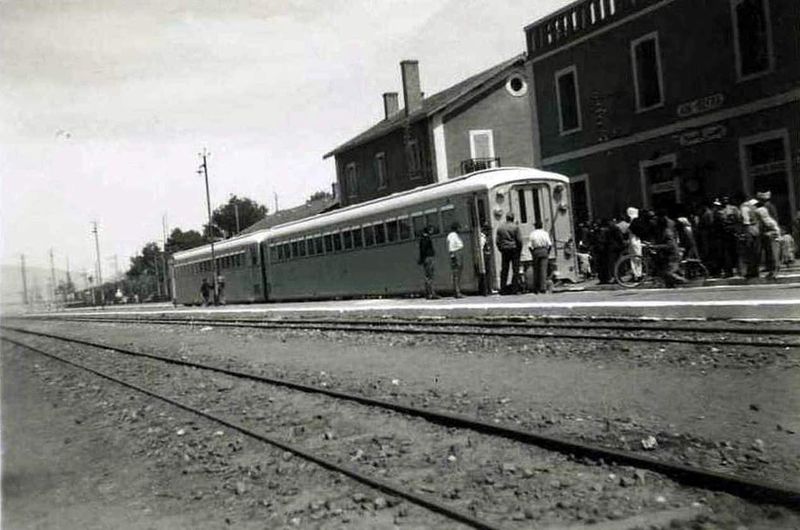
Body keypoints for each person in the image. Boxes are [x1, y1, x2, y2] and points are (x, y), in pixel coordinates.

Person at [651, 211, 686, 288]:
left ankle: (682, 280)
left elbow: (670, 245)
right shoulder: (661, 231)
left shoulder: (667, 232)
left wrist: (655, 247)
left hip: (672, 256)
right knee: (664, 275)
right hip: (666, 256)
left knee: (668, 273)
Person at [495, 213, 523, 294]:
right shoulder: (515, 227)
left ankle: (503, 288)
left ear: (506, 218)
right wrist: (519, 250)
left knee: (504, 269)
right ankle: (515, 288)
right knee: (515, 269)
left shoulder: (500, 228)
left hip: (504, 250)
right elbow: (519, 240)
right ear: (513, 218)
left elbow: (497, 241)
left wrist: (500, 249)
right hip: (514, 249)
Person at [754, 195, 781, 279]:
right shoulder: (764, 215)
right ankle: (772, 270)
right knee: (770, 253)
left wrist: (770, 232)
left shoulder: (766, 218)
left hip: (772, 235)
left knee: (774, 253)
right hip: (769, 235)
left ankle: (774, 271)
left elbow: (772, 226)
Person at [528, 221, 552, 294]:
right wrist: (547, 252)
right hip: (544, 250)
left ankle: (536, 288)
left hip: (536, 251)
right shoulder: (545, 233)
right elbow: (549, 244)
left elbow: (529, 246)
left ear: (535, 226)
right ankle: (543, 288)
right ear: (542, 226)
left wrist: (532, 253)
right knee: (543, 270)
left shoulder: (532, 234)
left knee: (536, 270)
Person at [740, 197, 761, 278]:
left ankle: (751, 271)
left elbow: (746, 222)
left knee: (749, 252)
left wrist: (745, 233)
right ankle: (755, 271)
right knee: (755, 252)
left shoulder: (744, 207)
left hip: (750, 231)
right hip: (757, 230)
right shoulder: (756, 207)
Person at [417, 225, 439, 299]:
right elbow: (424, 250)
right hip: (428, 258)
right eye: (431, 230)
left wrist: (421, 259)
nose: (432, 231)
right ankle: (431, 293)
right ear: (429, 230)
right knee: (430, 276)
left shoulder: (422, 238)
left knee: (427, 276)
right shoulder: (426, 239)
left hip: (426, 258)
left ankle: (428, 293)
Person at [446, 222, 465, 298]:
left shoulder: (455, 235)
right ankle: (457, 292)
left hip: (458, 253)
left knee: (458, 274)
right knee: (456, 274)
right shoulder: (452, 235)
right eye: (459, 228)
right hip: (456, 254)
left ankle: (458, 290)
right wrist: (453, 256)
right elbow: (451, 247)